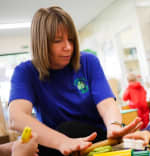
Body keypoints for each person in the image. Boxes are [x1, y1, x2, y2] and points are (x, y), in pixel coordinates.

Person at [8, 6, 142, 156]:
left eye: (71, 39)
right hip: (59, 145)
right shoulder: (25, 72)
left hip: (95, 139)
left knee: (71, 129)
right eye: (58, 41)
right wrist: (62, 141)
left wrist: (114, 125)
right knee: (64, 130)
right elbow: (16, 118)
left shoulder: (88, 61)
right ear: (41, 43)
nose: (68, 47)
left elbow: (106, 103)